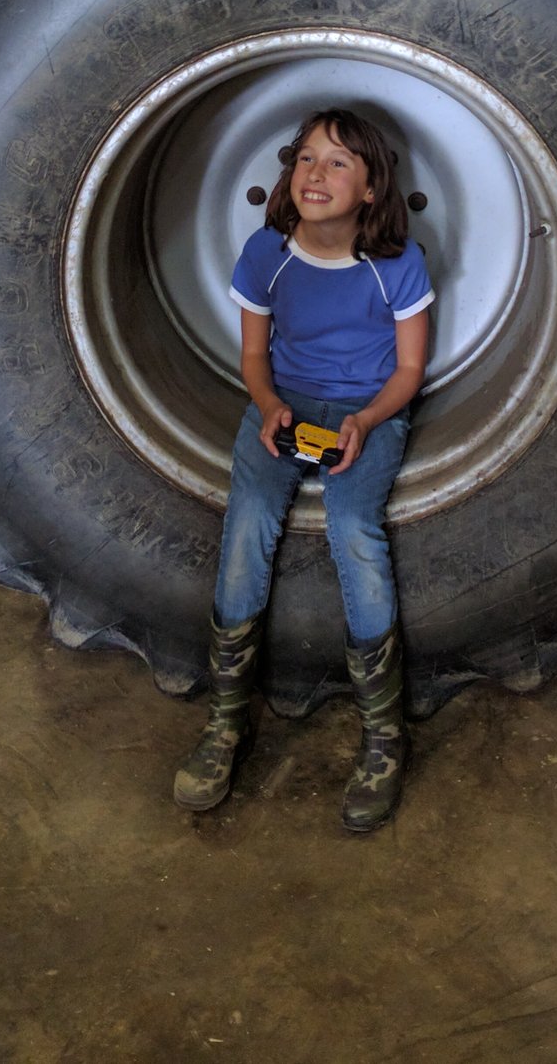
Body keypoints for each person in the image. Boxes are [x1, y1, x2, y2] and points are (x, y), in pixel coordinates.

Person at [174, 108, 433, 832]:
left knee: (354, 526)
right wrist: (265, 406)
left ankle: (384, 737)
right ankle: (226, 721)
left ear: (373, 188)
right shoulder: (266, 253)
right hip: (283, 407)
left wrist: (367, 422)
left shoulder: (396, 266)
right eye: (307, 159)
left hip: (365, 411)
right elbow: (254, 355)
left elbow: (410, 368)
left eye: (340, 162)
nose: (317, 174)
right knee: (249, 519)